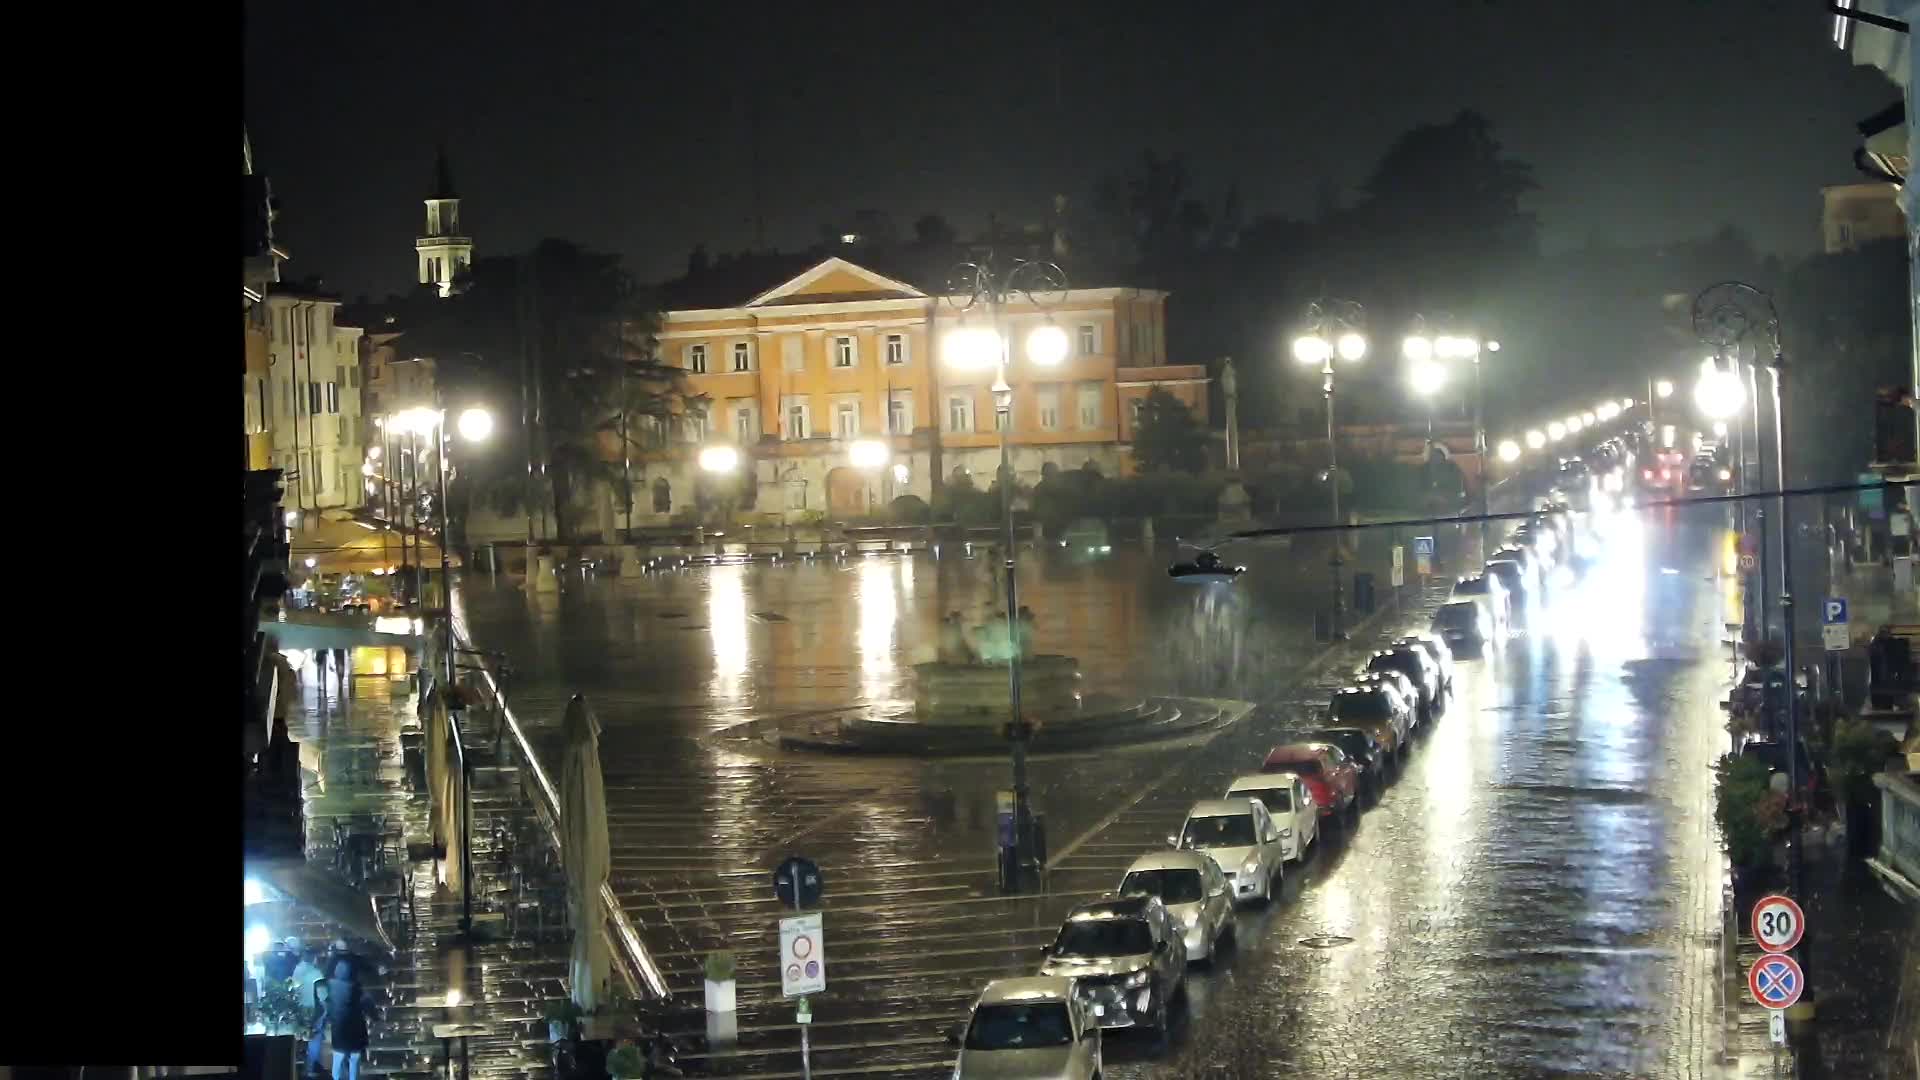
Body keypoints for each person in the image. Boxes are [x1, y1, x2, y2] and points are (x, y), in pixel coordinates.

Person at [320, 959, 372, 1080]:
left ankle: (336, 1078)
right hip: (355, 1028)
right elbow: (366, 1003)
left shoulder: (330, 986)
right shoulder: (357, 988)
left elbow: (326, 1005)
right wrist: (375, 1017)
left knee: (338, 1057)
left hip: (339, 1028)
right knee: (354, 1058)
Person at [290, 947, 329, 1077]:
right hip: (314, 1010)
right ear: (314, 958)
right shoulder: (316, 973)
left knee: (300, 1037)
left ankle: (297, 1066)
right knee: (315, 1038)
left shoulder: (297, 969)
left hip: (299, 1008)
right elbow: (322, 995)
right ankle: (312, 1068)